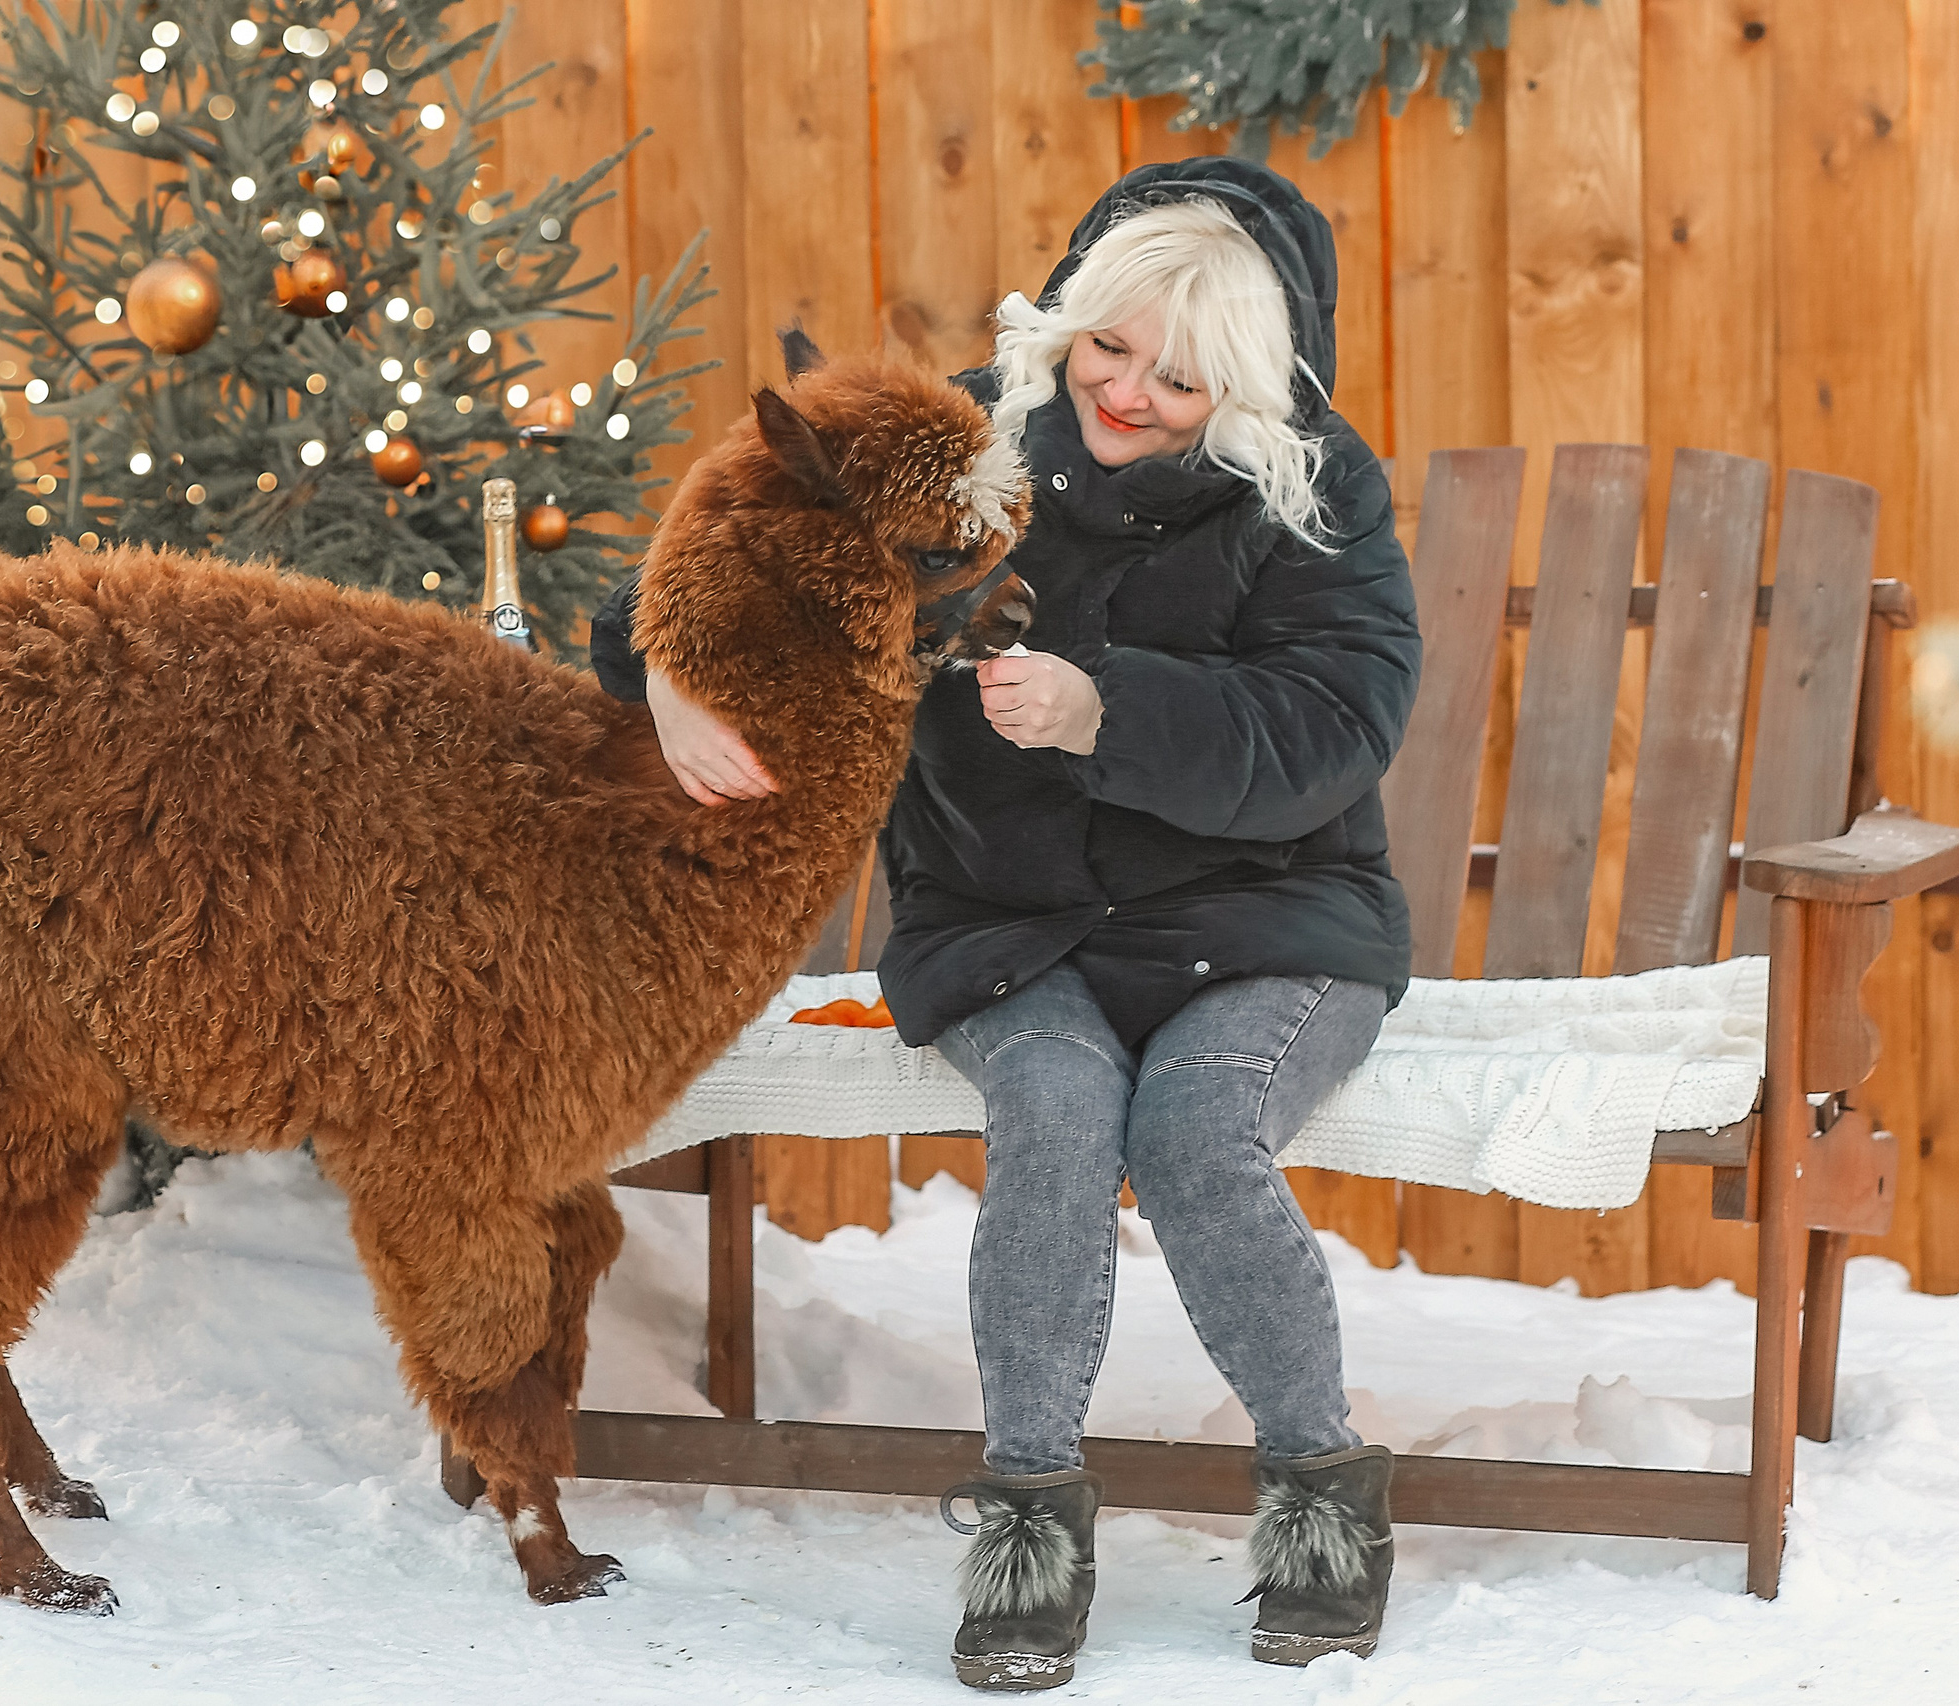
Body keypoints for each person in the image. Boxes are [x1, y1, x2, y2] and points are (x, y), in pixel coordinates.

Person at [591, 157, 1420, 1690]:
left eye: (1181, 379)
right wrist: (657, 668)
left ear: (1248, 385)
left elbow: (1337, 725)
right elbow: (735, 551)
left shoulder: (1316, 489)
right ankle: (1029, 1521)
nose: (1128, 391)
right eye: (1109, 346)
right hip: (1010, 921)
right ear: (1069, 320)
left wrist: (1111, 711)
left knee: (1197, 1128)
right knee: (1053, 1106)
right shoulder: (959, 435)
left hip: (1263, 924)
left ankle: (1321, 1501)